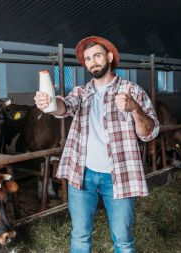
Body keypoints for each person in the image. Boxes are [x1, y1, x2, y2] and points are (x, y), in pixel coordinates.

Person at [34, 36, 159, 253]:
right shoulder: (82, 92)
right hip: (82, 175)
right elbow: (64, 107)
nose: (92, 62)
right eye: (88, 59)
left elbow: (150, 132)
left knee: (123, 239)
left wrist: (135, 109)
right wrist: (50, 104)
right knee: (80, 236)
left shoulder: (132, 91)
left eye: (97, 56)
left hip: (118, 176)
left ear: (109, 57)